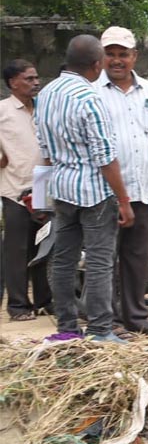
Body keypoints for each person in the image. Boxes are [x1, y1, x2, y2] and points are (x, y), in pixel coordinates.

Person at [34, 34, 135, 342]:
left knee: (63, 261)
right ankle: (101, 330)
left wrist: (41, 199)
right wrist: (124, 200)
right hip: (95, 193)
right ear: (96, 64)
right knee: (99, 262)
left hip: (62, 190)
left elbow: (45, 150)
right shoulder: (90, 97)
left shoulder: (47, 94)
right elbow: (105, 157)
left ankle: (66, 329)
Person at [95, 26, 148, 335]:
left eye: (123, 55)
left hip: (144, 192)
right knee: (106, 259)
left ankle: (137, 318)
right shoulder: (93, 92)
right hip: (106, 194)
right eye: (110, 54)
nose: (117, 61)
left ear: (134, 57)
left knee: (139, 258)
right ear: (101, 57)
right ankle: (110, 321)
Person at [0, 59, 51, 321]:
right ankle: (18, 306)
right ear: (13, 83)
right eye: (29, 79)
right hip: (15, 190)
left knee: (44, 247)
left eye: (36, 78)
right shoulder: (3, 111)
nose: (36, 83)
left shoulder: (44, 108)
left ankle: (45, 301)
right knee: (17, 251)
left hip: (44, 186)